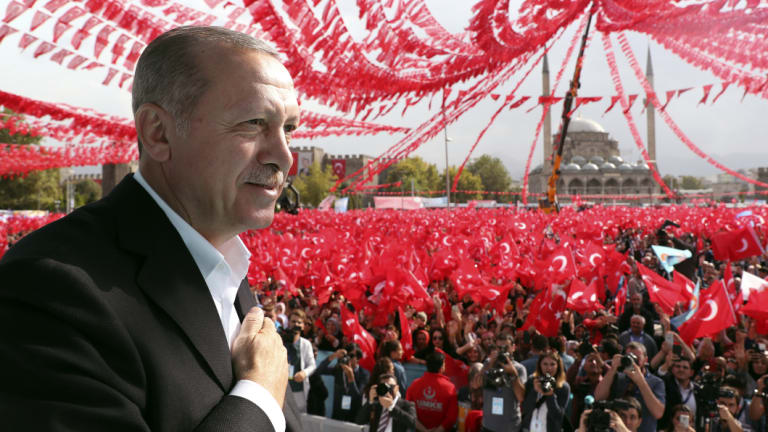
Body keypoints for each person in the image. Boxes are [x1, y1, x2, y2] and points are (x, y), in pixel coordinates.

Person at [0, 26, 302, 431]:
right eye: (254, 122)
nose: (283, 155)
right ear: (158, 133)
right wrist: (259, 395)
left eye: (289, 129)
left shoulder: (223, 268)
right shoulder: (51, 289)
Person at [594, 342, 665, 432]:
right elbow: (598, 398)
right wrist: (613, 369)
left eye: (637, 358)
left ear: (645, 359)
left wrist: (640, 381)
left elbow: (658, 413)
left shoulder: (656, 382)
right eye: (629, 357)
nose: (633, 362)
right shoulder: (618, 377)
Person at [482, 335, 527, 432]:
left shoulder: (519, 368)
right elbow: (475, 384)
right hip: (488, 425)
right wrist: (490, 365)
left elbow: (521, 397)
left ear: (513, 347)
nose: (502, 351)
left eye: (505, 347)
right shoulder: (488, 363)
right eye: (499, 348)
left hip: (510, 427)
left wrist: (513, 374)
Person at [316, 342, 370, 422]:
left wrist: (351, 378)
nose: (348, 358)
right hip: (338, 414)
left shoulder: (364, 374)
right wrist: (334, 356)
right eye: (346, 356)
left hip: (353, 415)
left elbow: (358, 396)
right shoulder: (338, 369)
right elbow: (319, 371)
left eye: (351, 356)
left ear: (358, 358)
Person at [406, 351, 458, 432]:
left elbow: (408, 412)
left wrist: (424, 430)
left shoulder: (414, 384)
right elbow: (452, 417)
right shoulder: (450, 388)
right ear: (442, 367)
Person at [520, 350, 571, 432]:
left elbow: (557, 416)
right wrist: (535, 391)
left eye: (552, 364)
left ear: (558, 366)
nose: (549, 368)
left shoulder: (563, 387)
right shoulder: (532, 381)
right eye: (545, 364)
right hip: (530, 427)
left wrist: (550, 395)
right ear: (540, 365)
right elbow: (525, 409)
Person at [283, 309, 316, 413]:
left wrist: (304, 373)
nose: (296, 324)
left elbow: (312, 365)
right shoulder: (281, 341)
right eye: (293, 321)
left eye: (299, 322)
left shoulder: (306, 344)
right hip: (282, 389)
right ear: (289, 323)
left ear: (303, 325)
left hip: (298, 392)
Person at [657, 355, 696, 429]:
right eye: (678, 366)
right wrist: (666, 364)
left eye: (685, 367)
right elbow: (659, 377)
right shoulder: (666, 384)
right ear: (672, 369)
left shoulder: (697, 390)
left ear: (691, 372)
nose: (681, 369)